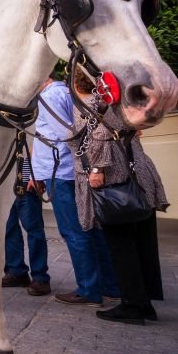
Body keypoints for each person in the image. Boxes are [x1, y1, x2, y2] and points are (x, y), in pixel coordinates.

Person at [70, 68, 169, 325]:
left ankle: (132, 305)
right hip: (138, 175)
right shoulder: (115, 102)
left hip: (115, 182)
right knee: (141, 243)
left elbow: (99, 136)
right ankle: (144, 302)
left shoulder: (90, 104)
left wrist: (96, 169)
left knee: (121, 244)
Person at [33, 70, 118, 307]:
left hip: (60, 171)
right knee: (91, 228)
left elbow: (65, 133)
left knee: (74, 231)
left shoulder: (48, 97)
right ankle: (109, 285)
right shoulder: (64, 92)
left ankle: (89, 289)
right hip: (70, 170)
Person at [2, 157, 51, 296]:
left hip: (27, 182)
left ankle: (40, 277)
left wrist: (34, 176)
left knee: (34, 230)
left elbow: (34, 148)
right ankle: (16, 272)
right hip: (5, 183)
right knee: (9, 228)